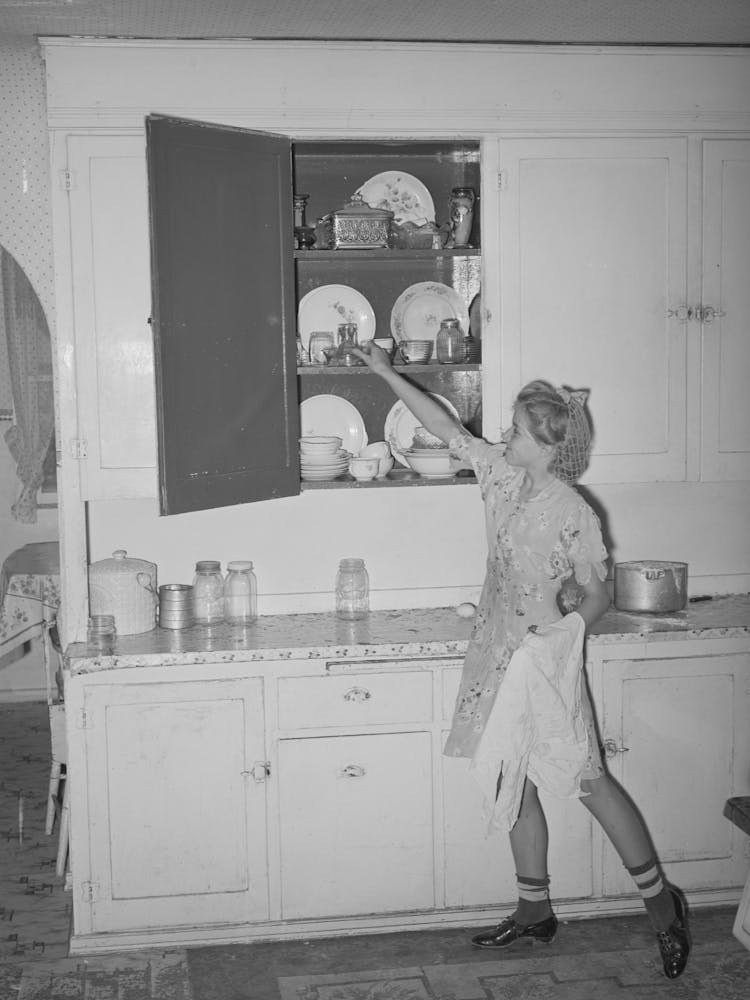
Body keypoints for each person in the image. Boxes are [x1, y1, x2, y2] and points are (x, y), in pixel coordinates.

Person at [353, 341, 691, 980]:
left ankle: (661, 907)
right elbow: (443, 426)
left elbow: (597, 594)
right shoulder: (499, 477)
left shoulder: (574, 513)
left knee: (587, 779)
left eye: (515, 429)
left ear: (545, 444)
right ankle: (534, 909)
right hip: (495, 653)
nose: (503, 435)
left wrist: (563, 636)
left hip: (543, 660)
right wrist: (382, 371)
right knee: (516, 778)